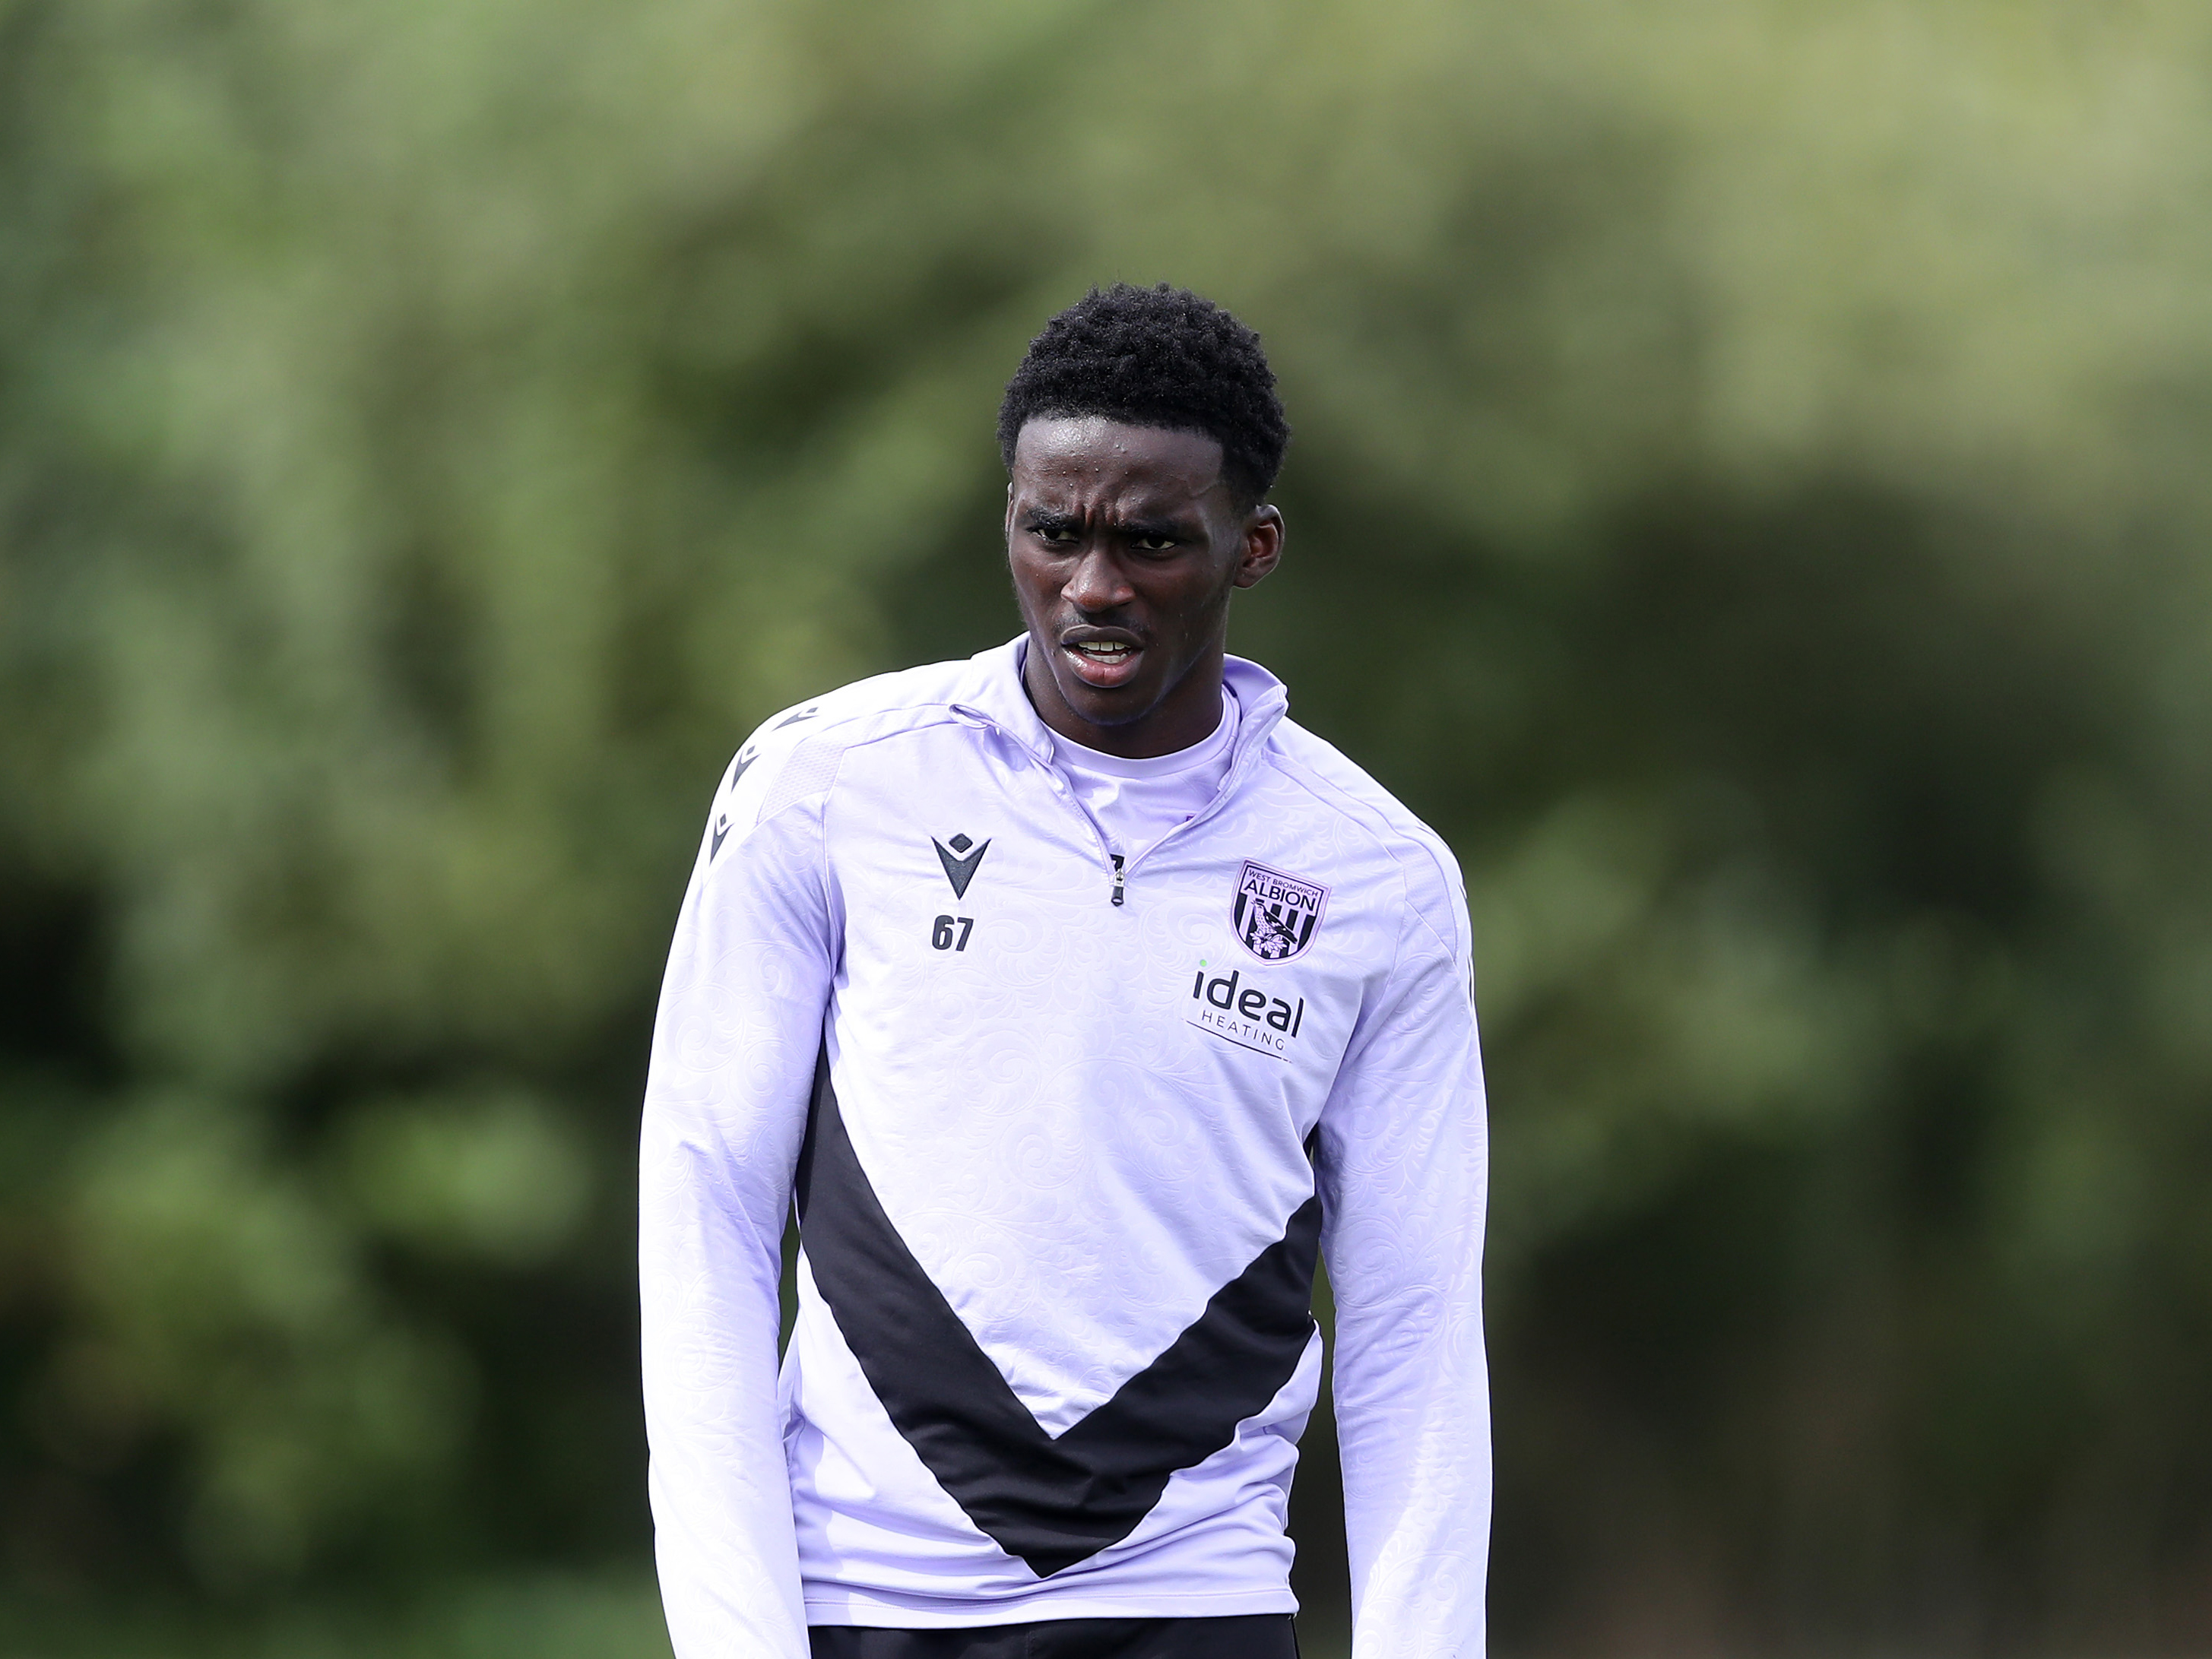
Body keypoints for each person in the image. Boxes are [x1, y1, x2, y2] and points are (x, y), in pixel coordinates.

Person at [639, 283, 1490, 1659]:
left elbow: (1414, 1329)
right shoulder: (825, 785)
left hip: (1192, 1607)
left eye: (1151, 541)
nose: (1092, 587)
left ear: (1251, 547)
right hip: (867, 1606)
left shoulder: (1378, 878)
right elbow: (703, 1223)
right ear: (1013, 524)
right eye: (1054, 533)